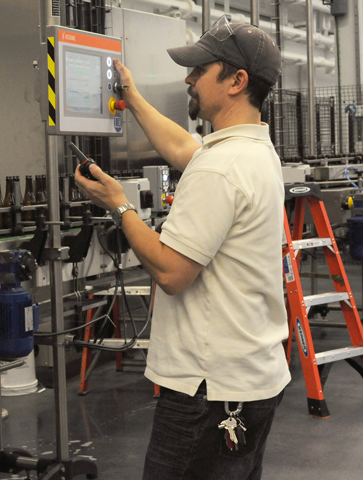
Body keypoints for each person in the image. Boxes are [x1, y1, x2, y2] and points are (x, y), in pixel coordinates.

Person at [74, 17, 290, 480]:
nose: (188, 79)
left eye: (200, 69)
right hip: (251, 379)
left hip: (207, 393)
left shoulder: (221, 168)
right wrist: (131, 97)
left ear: (237, 81)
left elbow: (172, 273)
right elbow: (184, 148)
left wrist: (119, 206)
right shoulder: (252, 151)